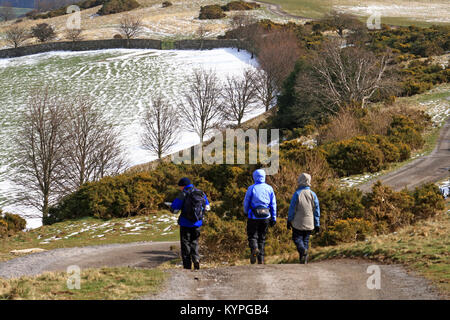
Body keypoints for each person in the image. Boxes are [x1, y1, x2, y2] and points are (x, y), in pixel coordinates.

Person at [170, 177, 210, 270]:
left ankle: (187, 267)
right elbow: (207, 207)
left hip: (185, 224)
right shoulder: (200, 193)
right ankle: (196, 259)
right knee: (195, 242)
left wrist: (171, 208)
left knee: (185, 245)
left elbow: (175, 209)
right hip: (197, 223)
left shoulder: (183, 194)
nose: (180, 188)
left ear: (183, 186)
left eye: (180, 187)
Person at [243, 169, 277, 265]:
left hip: (253, 216)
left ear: (254, 177)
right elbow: (273, 204)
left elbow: (246, 202)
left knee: (252, 236)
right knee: (262, 238)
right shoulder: (269, 188)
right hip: (266, 216)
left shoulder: (251, 188)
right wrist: (274, 218)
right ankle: (261, 260)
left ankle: (254, 248)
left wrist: (246, 212)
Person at [287, 173, 320, 264]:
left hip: (298, 222)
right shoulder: (313, 194)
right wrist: (317, 224)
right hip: (310, 222)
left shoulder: (297, 194)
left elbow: (292, 209)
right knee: (306, 240)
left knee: (297, 238)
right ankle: (304, 259)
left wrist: (289, 220)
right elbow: (316, 210)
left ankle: (302, 251)